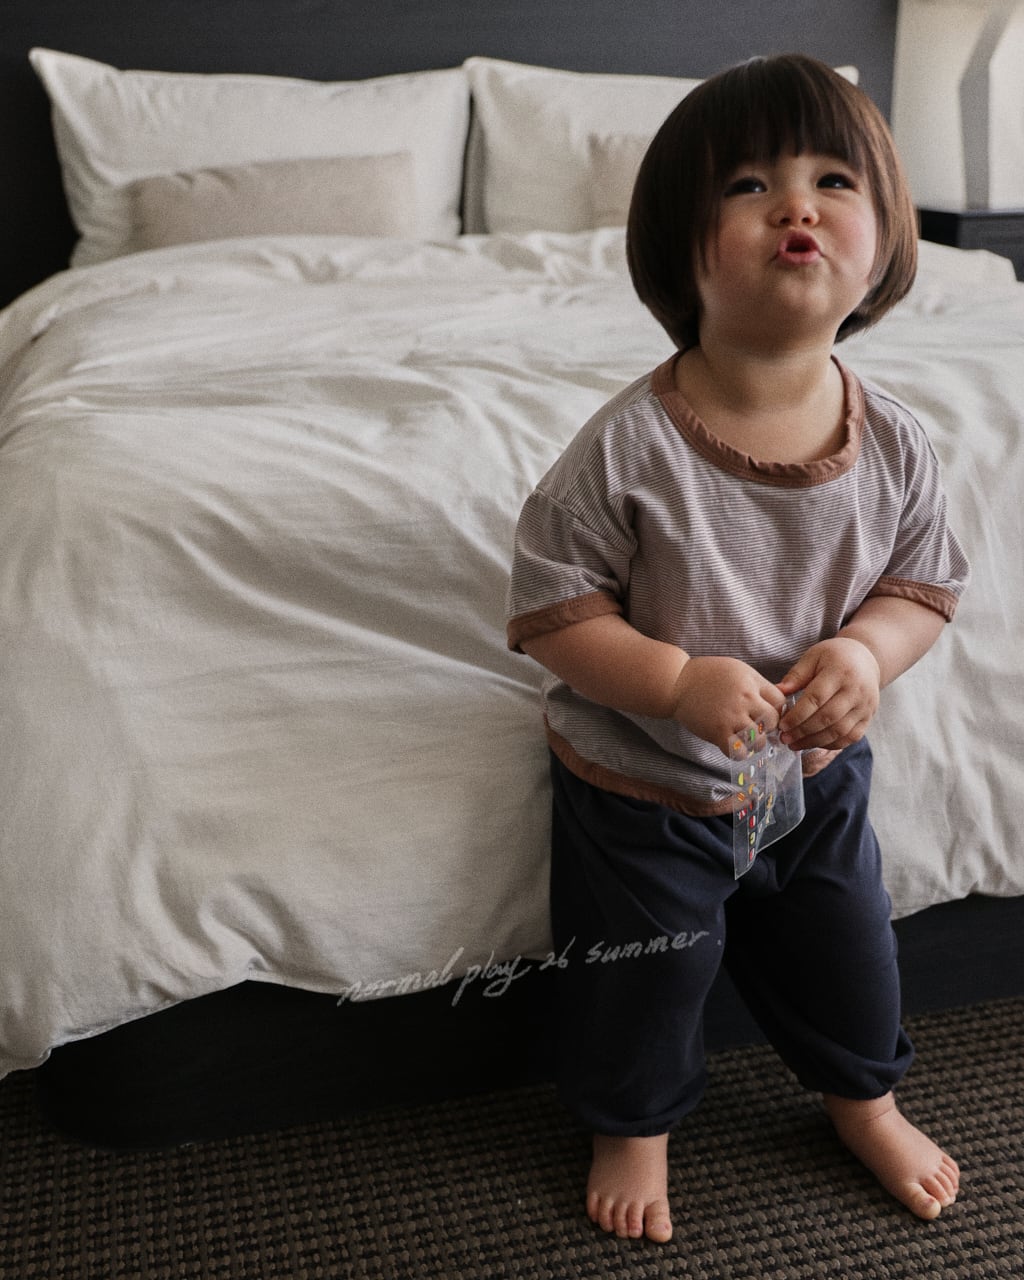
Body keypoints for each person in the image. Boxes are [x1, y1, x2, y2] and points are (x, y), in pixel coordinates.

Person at [505, 54, 970, 1243]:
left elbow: (921, 586)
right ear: (680, 250)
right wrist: (672, 680)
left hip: (809, 767)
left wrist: (865, 655)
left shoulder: (896, 444)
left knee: (849, 947)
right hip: (645, 778)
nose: (795, 205)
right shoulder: (625, 451)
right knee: (650, 966)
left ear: (886, 238)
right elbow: (554, 609)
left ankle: (863, 1096)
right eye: (749, 185)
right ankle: (631, 1121)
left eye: (831, 180)